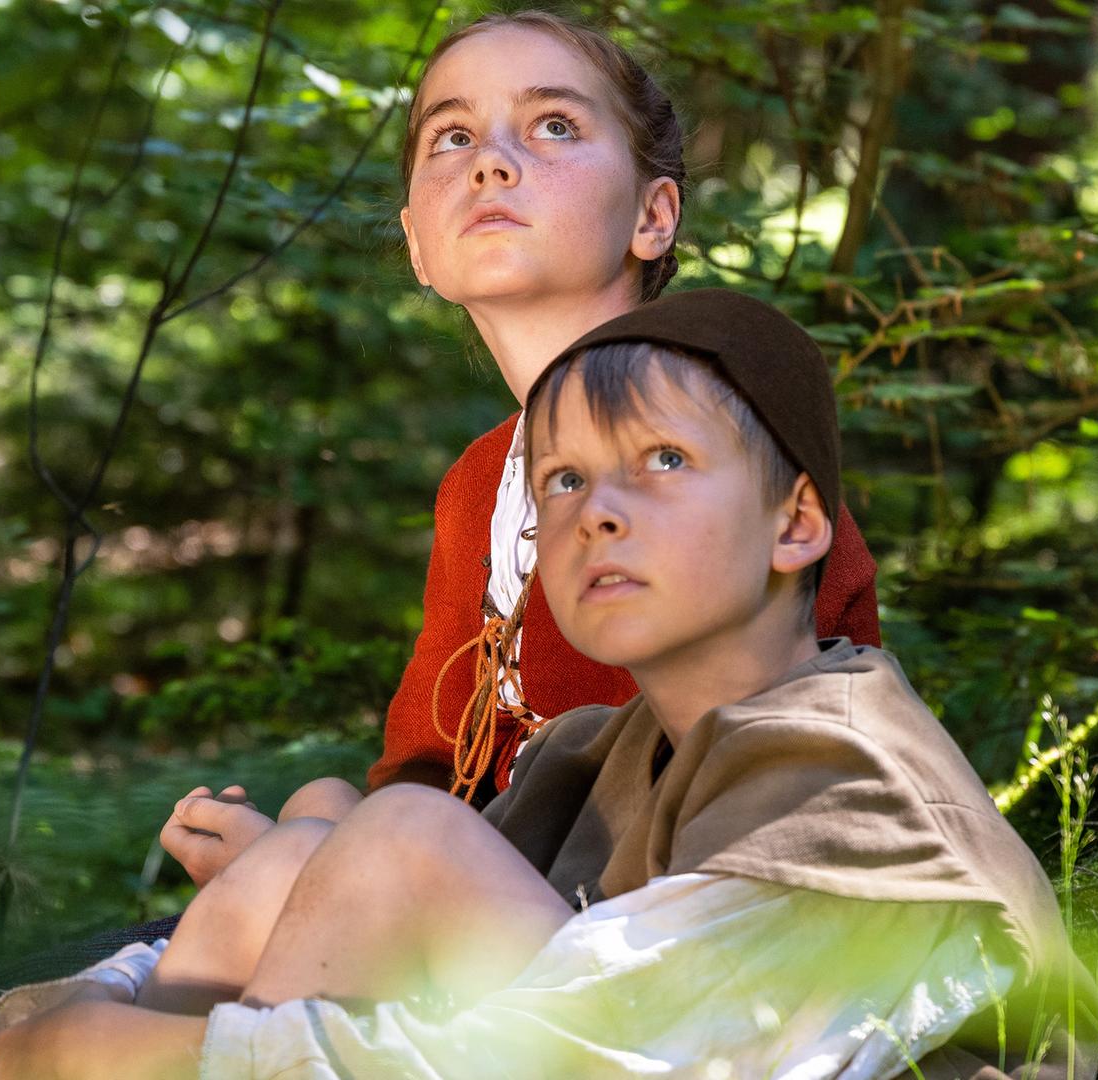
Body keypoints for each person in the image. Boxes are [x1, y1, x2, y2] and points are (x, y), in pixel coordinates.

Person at [0, 289, 1098, 1080]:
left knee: (402, 839)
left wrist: (131, 1051)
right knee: (319, 847)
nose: (600, 511)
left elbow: (563, 1061)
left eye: (665, 461)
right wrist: (105, 1012)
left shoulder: (847, 778)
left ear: (797, 522)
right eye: (564, 480)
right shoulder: (605, 752)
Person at [163, 8, 884, 895]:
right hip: (486, 872)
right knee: (322, 799)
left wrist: (310, 879)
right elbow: (426, 774)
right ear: (418, 244)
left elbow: (739, 787)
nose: (490, 162)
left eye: (553, 126)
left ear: (654, 215)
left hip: (652, 895)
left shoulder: (719, 454)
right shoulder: (479, 486)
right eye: (453, 136)